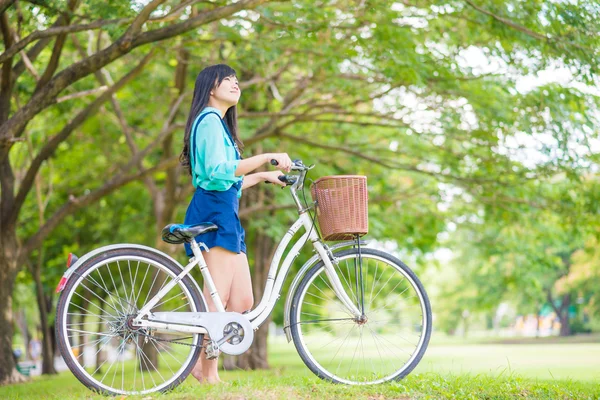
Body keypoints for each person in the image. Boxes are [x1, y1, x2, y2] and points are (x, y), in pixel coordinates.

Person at [179, 64, 292, 384]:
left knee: (242, 300)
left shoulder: (217, 125)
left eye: (237, 80)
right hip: (214, 213)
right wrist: (266, 156)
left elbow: (230, 178)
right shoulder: (209, 120)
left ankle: (200, 364)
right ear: (209, 87)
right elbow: (217, 171)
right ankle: (208, 372)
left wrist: (264, 175)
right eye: (226, 79)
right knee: (216, 300)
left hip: (224, 211)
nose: (234, 83)